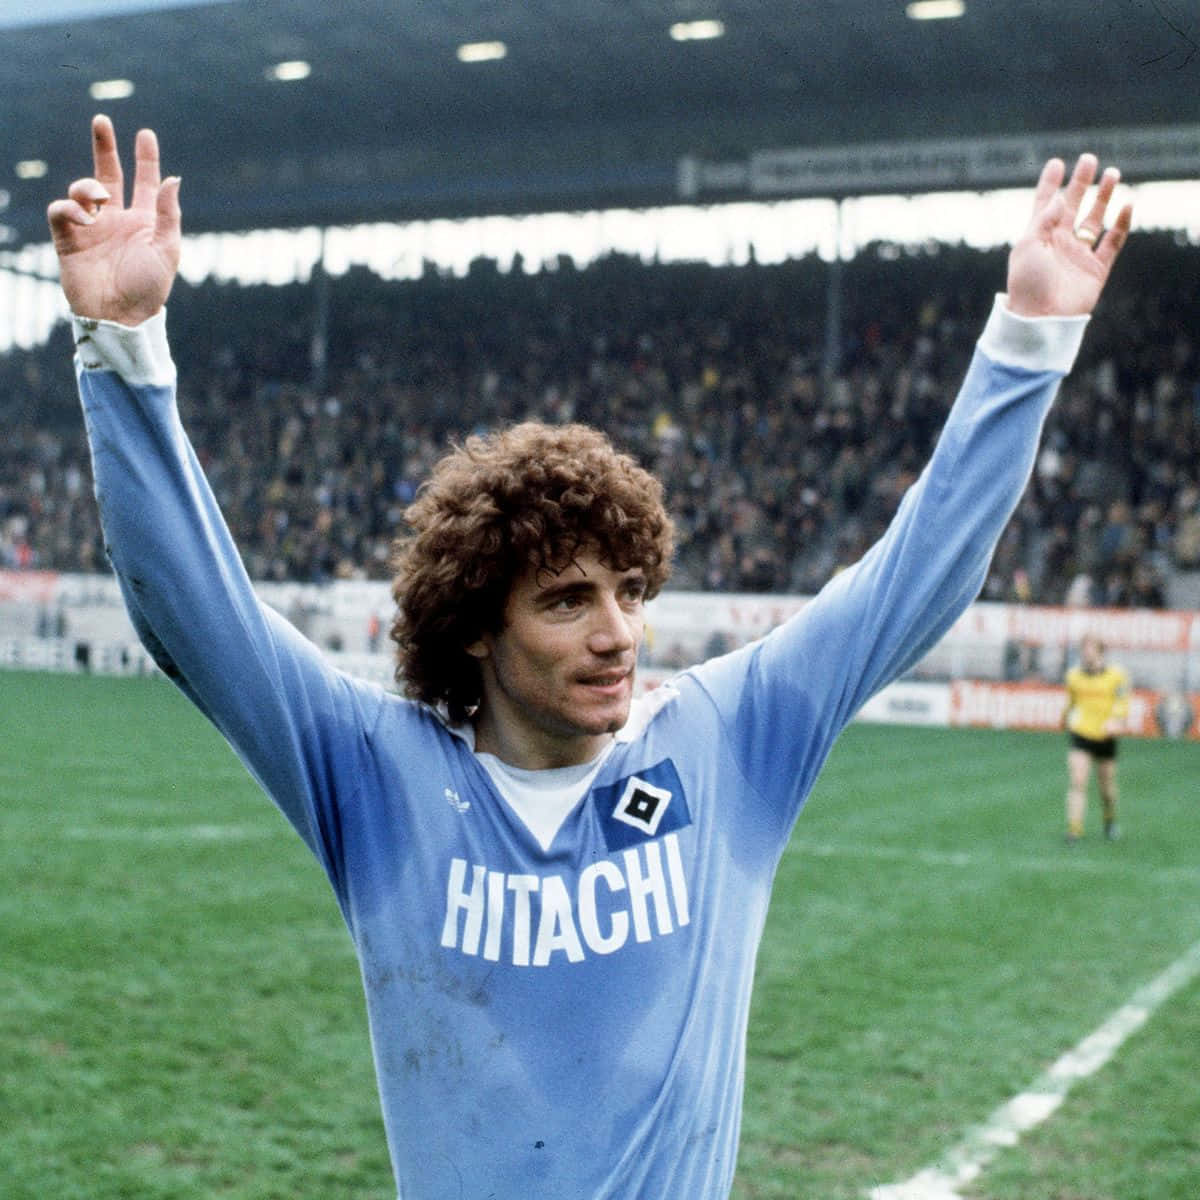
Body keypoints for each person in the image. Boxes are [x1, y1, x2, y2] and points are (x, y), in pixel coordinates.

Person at [49, 114, 1132, 1198]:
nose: (617, 632)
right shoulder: (378, 776)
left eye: (630, 591)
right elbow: (194, 613)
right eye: (568, 601)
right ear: (479, 623)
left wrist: (1029, 338)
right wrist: (124, 344)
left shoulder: (727, 741)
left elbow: (918, 573)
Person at [1063, 634, 1130, 842]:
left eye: (1090, 649)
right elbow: (1071, 702)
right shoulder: (1073, 676)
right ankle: (1074, 829)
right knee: (1077, 781)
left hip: (1105, 735)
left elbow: (1122, 702)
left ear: (1100, 651)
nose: (1086, 653)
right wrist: (1064, 717)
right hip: (1081, 733)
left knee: (1106, 787)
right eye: (1083, 649)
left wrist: (1116, 720)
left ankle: (1109, 820)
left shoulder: (1117, 676)